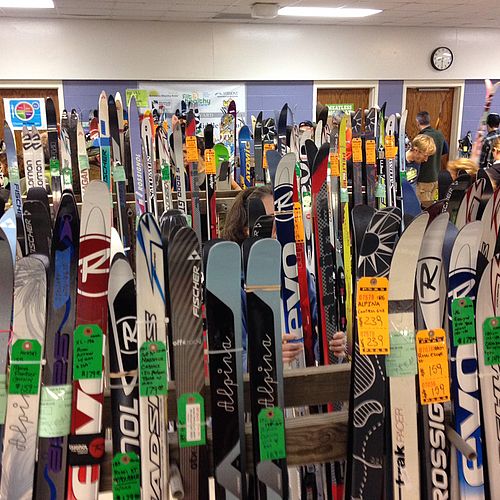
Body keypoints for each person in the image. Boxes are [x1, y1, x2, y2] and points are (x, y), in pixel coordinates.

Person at [223, 186, 347, 365]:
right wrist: (265, 358)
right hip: (260, 389)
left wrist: (334, 348)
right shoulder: (233, 286)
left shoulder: (297, 275)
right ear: (246, 229)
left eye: (280, 220)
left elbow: (316, 343)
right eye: (269, 220)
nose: (276, 228)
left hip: (306, 384)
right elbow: (228, 360)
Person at [415, 111, 448, 204]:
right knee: (432, 206)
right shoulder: (439, 135)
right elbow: (445, 151)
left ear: (417, 122)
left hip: (424, 178)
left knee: (424, 209)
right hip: (435, 178)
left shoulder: (421, 138)